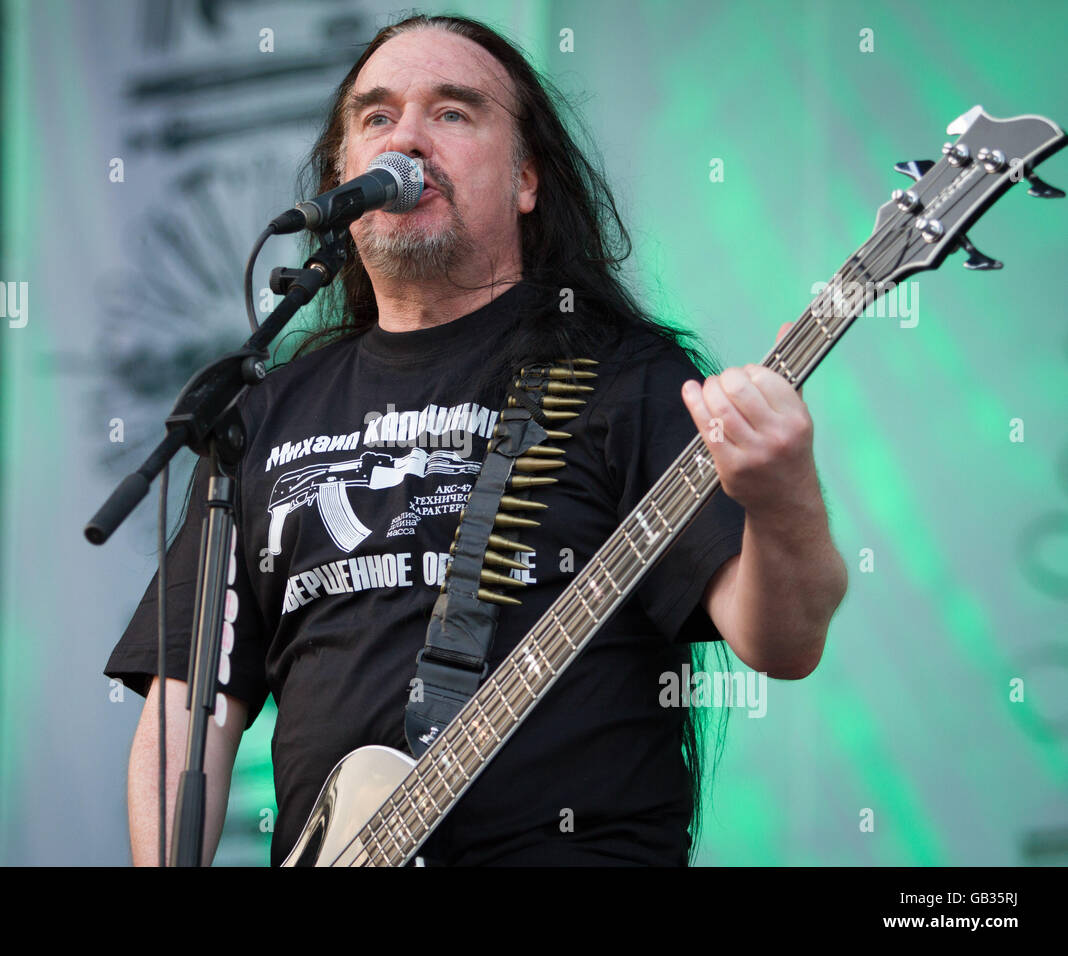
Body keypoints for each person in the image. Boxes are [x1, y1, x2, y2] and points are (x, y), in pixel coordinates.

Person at [104, 14, 847, 867]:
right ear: (344, 177)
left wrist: (784, 491)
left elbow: (782, 643)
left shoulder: (621, 375)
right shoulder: (269, 412)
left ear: (527, 179)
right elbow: (187, 708)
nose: (408, 138)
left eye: (453, 113)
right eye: (376, 118)